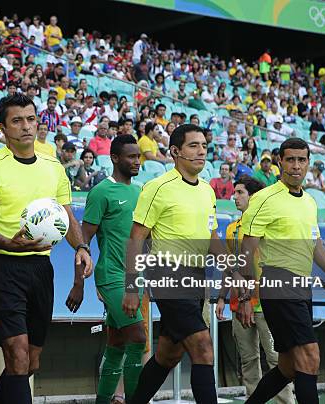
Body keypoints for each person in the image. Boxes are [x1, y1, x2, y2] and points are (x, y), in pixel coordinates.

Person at [0, 94, 92, 402]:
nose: (26, 127)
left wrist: (82, 247)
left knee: (28, 363)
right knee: (18, 355)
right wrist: (9, 243)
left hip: (40, 268)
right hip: (1, 266)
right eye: (17, 121)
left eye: (31, 119)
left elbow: (67, 217)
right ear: (3, 127)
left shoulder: (53, 166)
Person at [236, 138, 325, 404]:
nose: (296, 166)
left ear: (308, 164)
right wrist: (244, 297)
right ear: (280, 162)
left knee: (289, 367)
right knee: (311, 355)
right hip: (277, 283)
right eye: (290, 159)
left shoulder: (310, 202)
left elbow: (316, 246)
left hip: (301, 287)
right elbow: (247, 250)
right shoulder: (264, 199)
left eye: (301, 160)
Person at [123, 124, 220, 403]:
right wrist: (132, 287)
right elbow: (136, 239)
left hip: (196, 278)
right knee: (203, 347)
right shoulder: (157, 187)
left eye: (204, 145)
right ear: (175, 151)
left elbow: (211, 236)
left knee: (169, 353)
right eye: (193, 146)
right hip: (166, 273)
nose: (201, 151)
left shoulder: (207, 191)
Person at [67, 136, 146, 403]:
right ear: (114, 158)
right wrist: (79, 284)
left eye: (138, 157)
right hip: (112, 277)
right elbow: (83, 242)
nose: (137, 162)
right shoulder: (101, 192)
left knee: (117, 343)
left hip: (136, 277)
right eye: (131, 157)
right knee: (138, 338)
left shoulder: (141, 192)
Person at [215, 175, 294, 404]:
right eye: (235, 192)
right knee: (248, 359)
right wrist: (221, 297)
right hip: (238, 303)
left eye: (240, 192)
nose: (234, 197)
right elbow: (229, 265)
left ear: (254, 196)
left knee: (277, 359)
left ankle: (285, 402)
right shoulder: (231, 229)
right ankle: (253, 400)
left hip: (266, 302)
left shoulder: (270, 224)